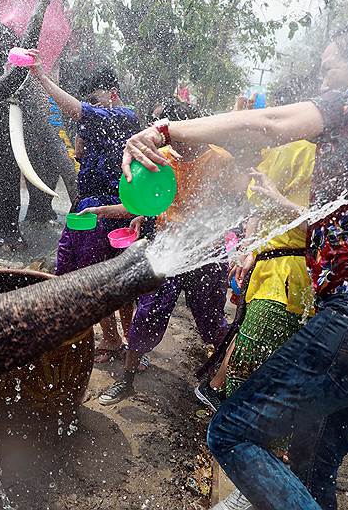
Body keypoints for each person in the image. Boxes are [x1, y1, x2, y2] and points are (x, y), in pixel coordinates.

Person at [123, 13, 348, 510]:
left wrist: (164, 130)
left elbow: (268, 124)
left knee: (232, 433)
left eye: (330, 70)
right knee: (312, 467)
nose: (322, 83)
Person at [85, 98, 235, 406]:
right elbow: (144, 202)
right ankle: (126, 381)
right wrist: (111, 211)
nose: (168, 143)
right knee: (148, 312)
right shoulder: (161, 158)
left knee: (211, 321)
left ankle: (223, 379)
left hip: (206, 255)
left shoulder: (221, 161)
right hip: (168, 250)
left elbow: (235, 207)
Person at [28, 50, 140, 363]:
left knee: (115, 280)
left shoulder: (125, 116)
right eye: (88, 99)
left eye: (96, 99)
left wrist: (42, 78)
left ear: (113, 95)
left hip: (116, 210)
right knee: (69, 266)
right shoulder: (94, 125)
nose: (91, 104)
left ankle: (130, 343)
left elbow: (78, 111)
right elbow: (80, 151)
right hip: (86, 208)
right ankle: (104, 337)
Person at [194, 139, 316, 412]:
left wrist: (277, 201)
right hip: (277, 274)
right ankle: (230, 415)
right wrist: (249, 249)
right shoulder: (296, 150)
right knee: (252, 350)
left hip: (289, 274)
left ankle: (219, 395)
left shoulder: (312, 155)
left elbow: (323, 223)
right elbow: (261, 208)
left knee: (256, 347)